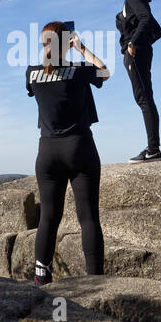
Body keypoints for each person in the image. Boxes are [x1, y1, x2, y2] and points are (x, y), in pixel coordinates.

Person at [24, 21, 111, 285]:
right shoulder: (79, 71)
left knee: (49, 218)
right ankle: (95, 282)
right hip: (79, 147)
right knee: (88, 218)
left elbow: (37, 83)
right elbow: (105, 73)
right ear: (67, 43)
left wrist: (50, 53)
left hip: (47, 152)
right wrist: (82, 48)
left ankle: (42, 280)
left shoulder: (31, 73)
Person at [114, 0, 161, 162]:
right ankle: (153, 148)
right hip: (138, 53)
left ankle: (153, 150)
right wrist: (142, 43)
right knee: (144, 98)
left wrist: (134, 44)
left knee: (144, 99)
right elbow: (157, 31)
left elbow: (146, 19)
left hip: (135, 54)